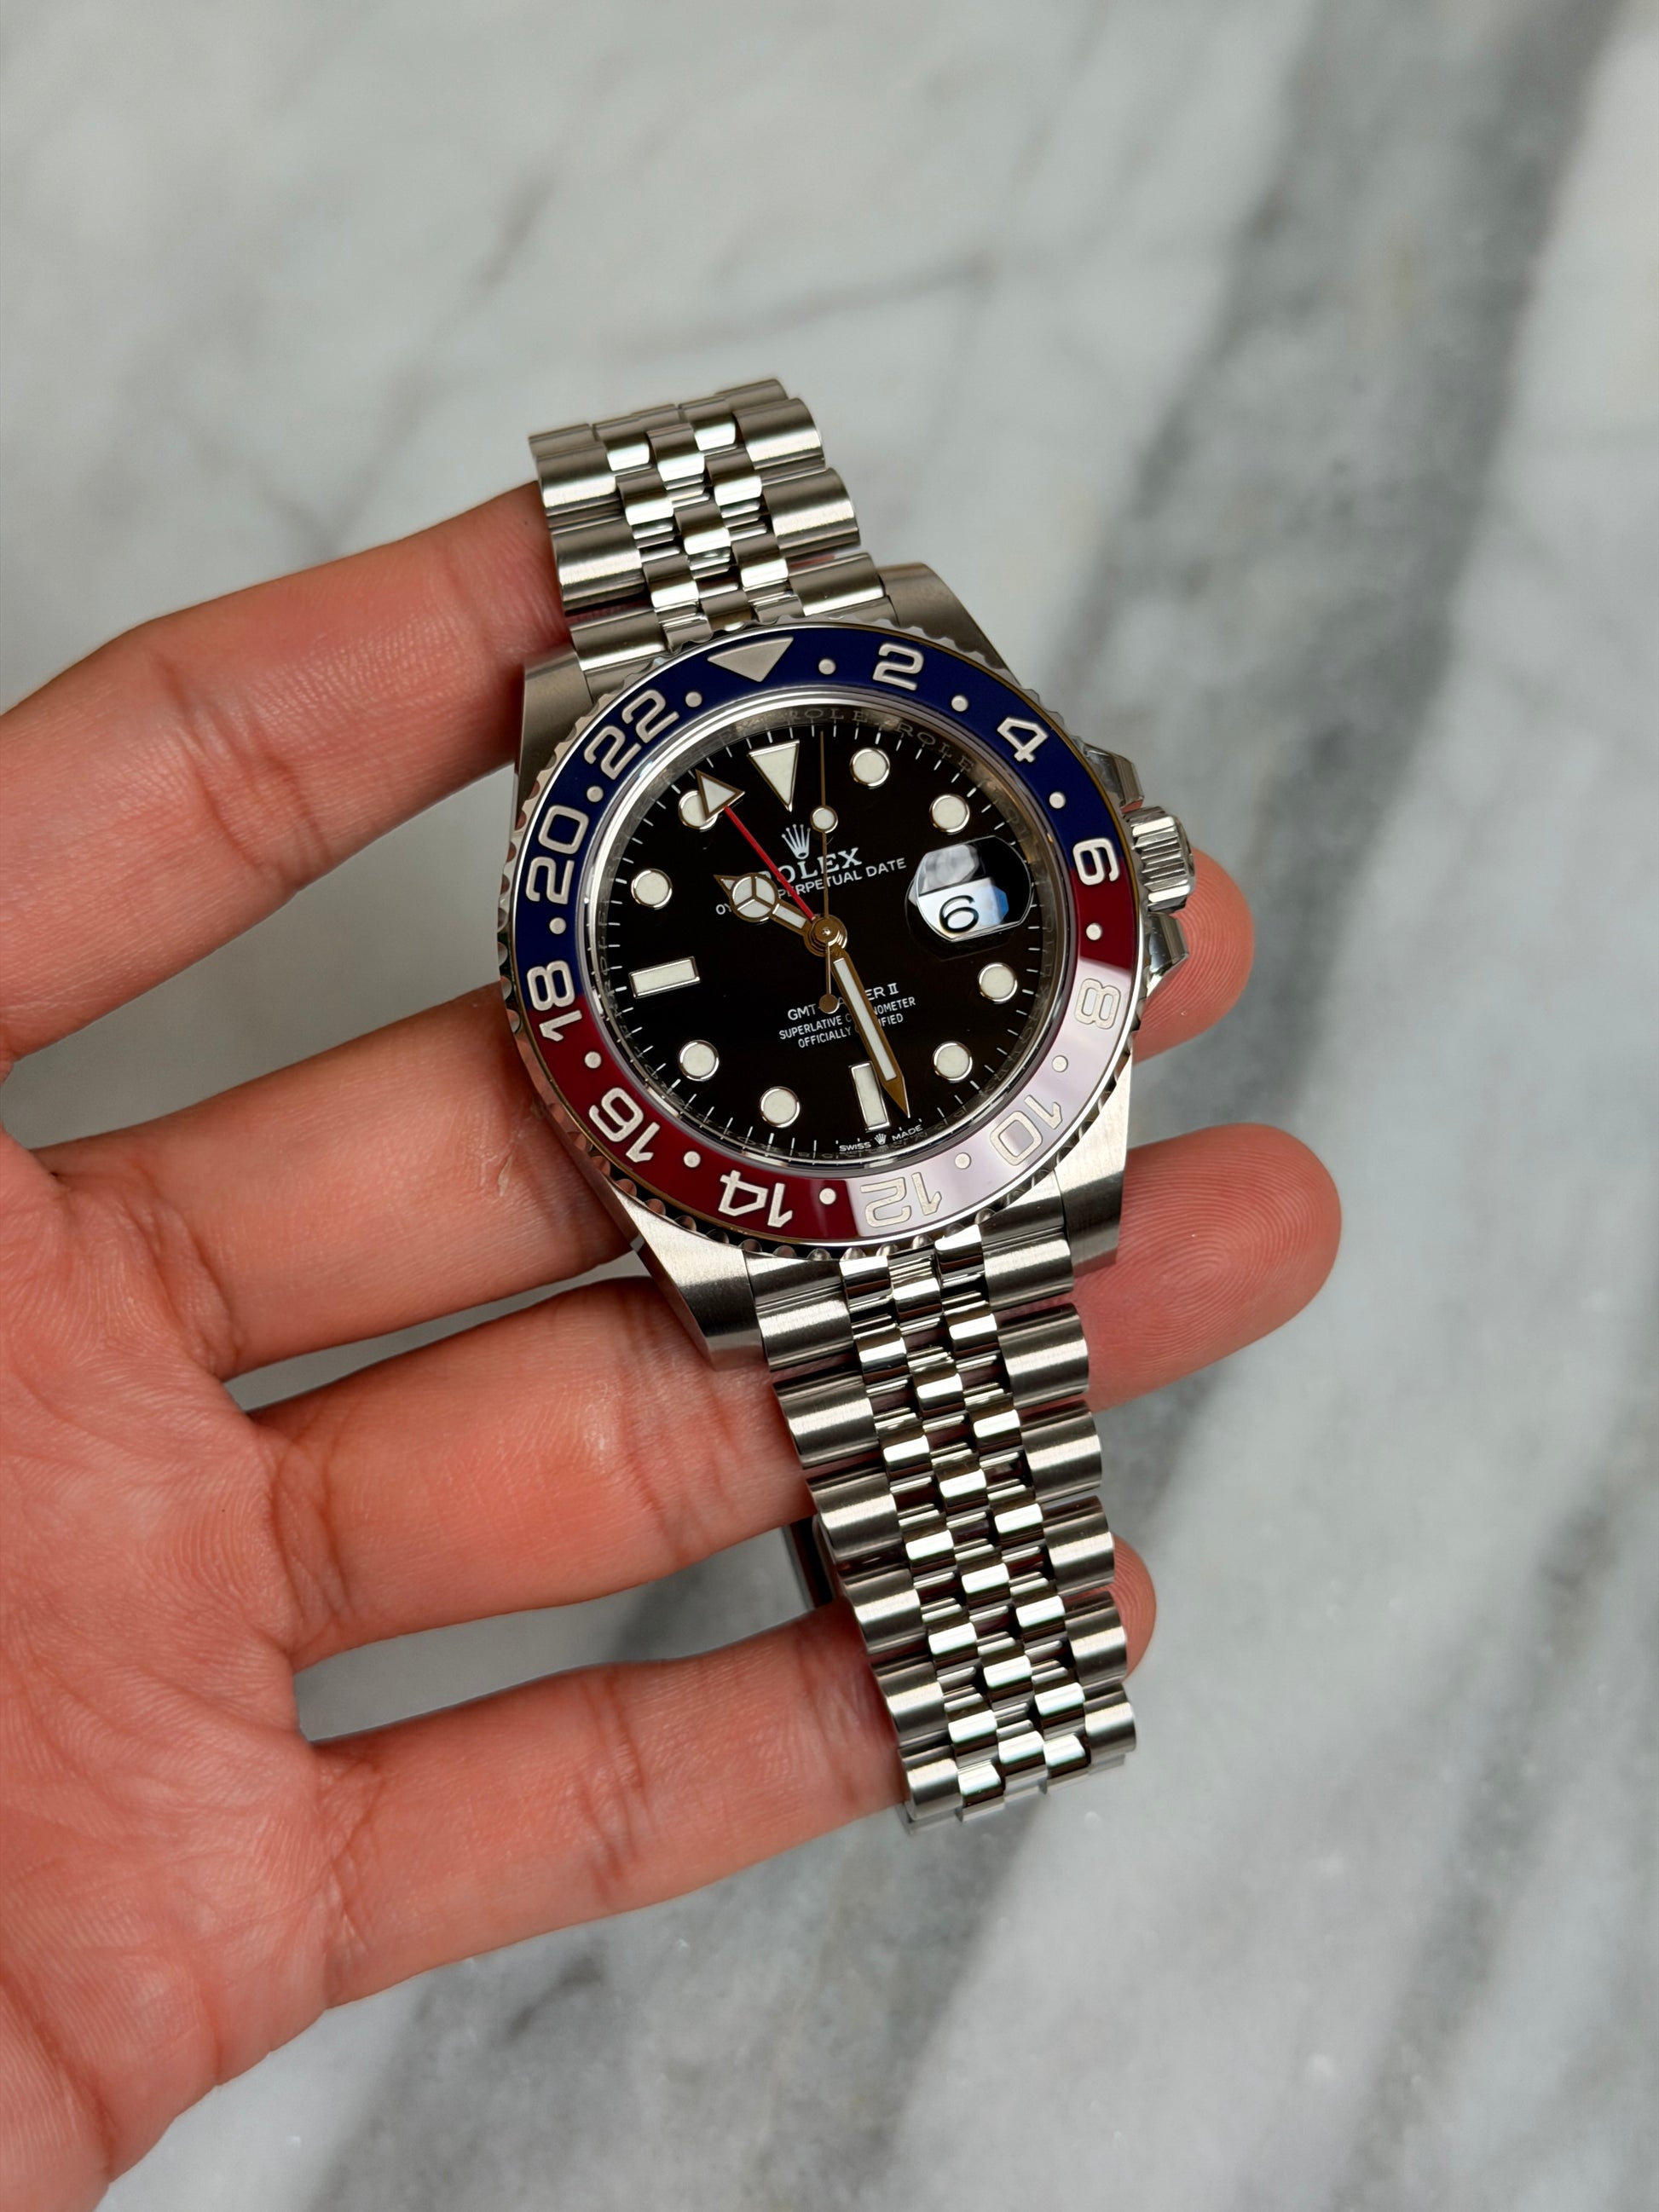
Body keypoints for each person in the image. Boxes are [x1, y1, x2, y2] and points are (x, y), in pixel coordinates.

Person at [0, 484, 1340, 2209]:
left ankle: (971, 1647)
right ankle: (967, 1649)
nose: (833, 933)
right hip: (779, 1169)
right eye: (806, 925)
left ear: (1114, 871)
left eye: (841, 917)